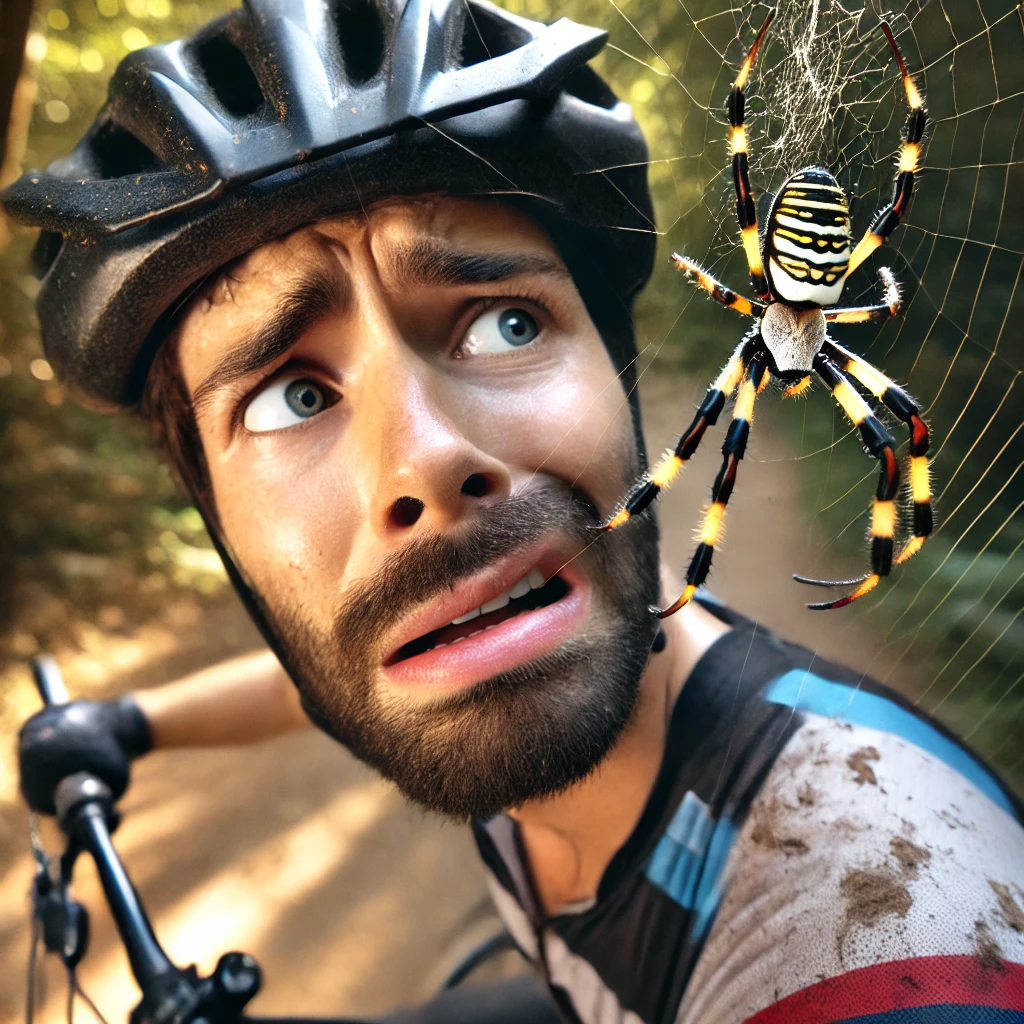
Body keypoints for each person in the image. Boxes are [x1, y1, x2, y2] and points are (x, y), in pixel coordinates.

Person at [10, 1, 1024, 1021]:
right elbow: (323, 674)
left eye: (505, 323)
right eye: (293, 397)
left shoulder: (892, 917)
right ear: (216, 523)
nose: (425, 460)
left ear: (614, 371)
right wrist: (131, 719)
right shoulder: (514, 604)